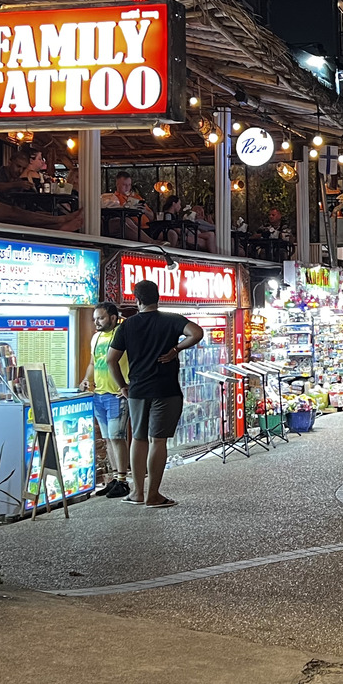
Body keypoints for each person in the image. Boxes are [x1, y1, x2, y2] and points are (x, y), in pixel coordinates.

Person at [106, 279, 204, 508]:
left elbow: (111, 360)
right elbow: (197, 333)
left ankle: (138, 493)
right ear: (158, 298)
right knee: (157, 440)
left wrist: (122, 385)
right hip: (166, 389)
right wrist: (176, 349)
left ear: (137, 300)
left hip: (138, 390)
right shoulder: (171, 320)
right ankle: (154, 495)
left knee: (138, 439)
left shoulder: (127, 326)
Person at [79, 302, 130, 497]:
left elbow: (136, 360)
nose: (96, 322)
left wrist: (128, 384)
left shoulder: (123, 335)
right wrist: (86, 379)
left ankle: (123, 480)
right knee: (108, 438)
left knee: (117, 438)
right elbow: (93, 362)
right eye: (95, 319)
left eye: (100, 318)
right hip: (99, 394)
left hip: (117, 394)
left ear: (113, 318)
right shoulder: (96, 337)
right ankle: (115, 478)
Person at [100, 171, 153, 239]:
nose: (127, 188)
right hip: (133, 228)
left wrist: (145, 211)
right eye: (124, 185)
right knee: (126, 222)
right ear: (117, 184)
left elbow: (152, 217)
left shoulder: (137, 197)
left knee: (170, 233)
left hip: (148, 227)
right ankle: (151, 242)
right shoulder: (113, 199)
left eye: (129, 185)